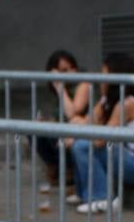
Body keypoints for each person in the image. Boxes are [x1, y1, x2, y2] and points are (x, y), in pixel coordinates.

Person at [70, 52, 134, 214]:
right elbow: (87, 120)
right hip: (127, 157)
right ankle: (83, 193)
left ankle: (101, 197)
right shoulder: (108, 100)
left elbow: (102, 141)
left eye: (104, 75)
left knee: (82, 145)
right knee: (78, 142)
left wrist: (78, 132)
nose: (101, 80)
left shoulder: (127, 104)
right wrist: (73, 130)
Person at [34, 49, 92, 192]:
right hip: (64, 127)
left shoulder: (83, 84)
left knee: (55, 135)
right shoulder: (60, 87)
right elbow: (59, 115)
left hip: (80, 129)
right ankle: (54, 165)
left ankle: (69, 169)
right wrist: (47, 121)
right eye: (59, 72)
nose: (63, 75)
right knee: (34, 130)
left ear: (74, 69)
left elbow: (72, 112)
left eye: (66, 70)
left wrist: (60, 87)